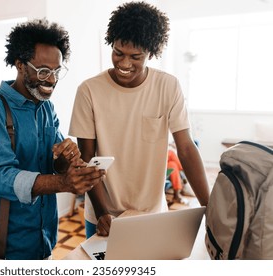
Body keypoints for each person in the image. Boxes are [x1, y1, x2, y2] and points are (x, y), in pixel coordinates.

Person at [0, 19, 106, 260]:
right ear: (20, 65)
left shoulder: (45, 108)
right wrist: (63, 183)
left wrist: (65, 157)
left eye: (56, 71)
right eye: (43, 71)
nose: (51, 80)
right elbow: (0, 177)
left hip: (43, 240)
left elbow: (53, 164)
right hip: (0, 247)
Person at [69, 1, 210, 238]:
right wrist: (104, 213)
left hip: (152, 214)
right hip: (104, 216)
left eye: (136, 56)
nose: (125, 64)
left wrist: (210, 207)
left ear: (151, 52)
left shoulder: (168, 86)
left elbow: (185, 148)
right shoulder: (89, 91)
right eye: (118, 53)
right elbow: (87, 159)